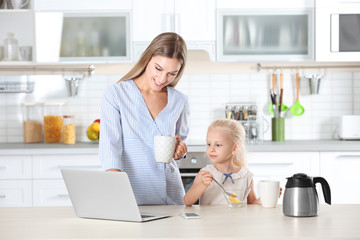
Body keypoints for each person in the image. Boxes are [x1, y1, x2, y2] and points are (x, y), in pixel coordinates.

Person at [99, 32, 189, 205]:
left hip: (170, 195)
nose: (162, 79)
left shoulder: (180, 100)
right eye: (158, 68)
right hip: (131, 195)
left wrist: (180, 152)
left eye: (172, 73)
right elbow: (110, 147)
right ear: (147, 59)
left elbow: (179, 145)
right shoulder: (116, 94)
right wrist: (118, 193)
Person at [184, 119, 261, 206]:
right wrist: (201, 185)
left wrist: (263, 200)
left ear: (235, 148)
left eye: (218, 145)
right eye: (209, 144)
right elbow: (187, 201)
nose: (211, 149)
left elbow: (251, 204)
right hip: (209, 219)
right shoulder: (204, 173)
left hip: (237, 220)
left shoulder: (245, 176)